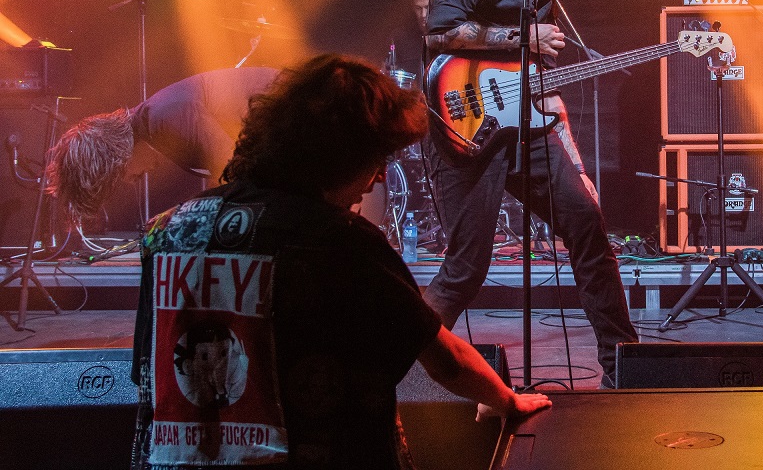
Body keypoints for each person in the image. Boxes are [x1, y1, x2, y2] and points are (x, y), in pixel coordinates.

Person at [130, 54, 549, 469]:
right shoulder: (343, 239)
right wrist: (506, 400)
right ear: (339, 154)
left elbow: (147, 373)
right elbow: (445, 361)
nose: (380, 176)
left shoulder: (165, 231)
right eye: (375, 158)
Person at [421, 0, 637, 388]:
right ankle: (394, 368)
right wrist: (522, 36)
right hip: (463, 123)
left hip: (525, 127)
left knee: (588, 225)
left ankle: (627, 369)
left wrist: (576, 166)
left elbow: (544, 85)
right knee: (466, 268)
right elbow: (439, 32)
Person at [46, 66, 279, 220]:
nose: (130, 181)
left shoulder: (165, 117)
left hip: (296, 117)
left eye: (121, 176)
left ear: (116, 156)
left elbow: (236, 172)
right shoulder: (156, 122)